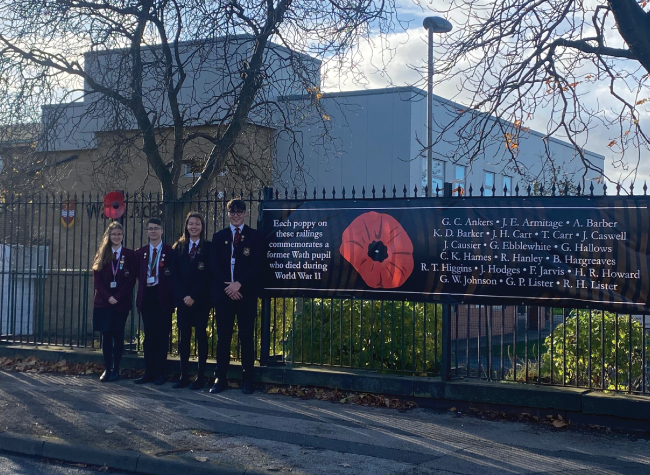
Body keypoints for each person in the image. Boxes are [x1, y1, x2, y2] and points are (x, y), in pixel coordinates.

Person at [209, 199, 263, 394]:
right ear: (228, 213)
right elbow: (214, 265)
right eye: (232, 211)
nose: (236, 214)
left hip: (245, 294)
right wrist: (229, 286)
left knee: (246, 336)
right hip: (224, 295)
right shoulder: (219, 237)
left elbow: (257, 265)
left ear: (245, 213)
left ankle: (248, 378)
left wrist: (239, 284)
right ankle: (220, 377)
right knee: (223, 337)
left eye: (239, 211)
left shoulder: (254, 236)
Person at [170, 212, 211, 390]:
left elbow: (208, 275)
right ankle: (183, 376)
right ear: (186, 226)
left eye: (197, 224)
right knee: (184, 337)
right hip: (183, 300)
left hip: (201, 300)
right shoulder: (178, 247)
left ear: (202, 227)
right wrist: (184, 296)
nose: (194, 227)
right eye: (191, 224)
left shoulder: (208, 247)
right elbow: (173, 275)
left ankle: (200, 377)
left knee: (201, 336)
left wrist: (193, 295)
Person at [92, 222, 136, 382]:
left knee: (118, 335)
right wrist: (108, 297)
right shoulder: (101, 255)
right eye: (113, 234)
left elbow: (131, 280)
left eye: (119, 234)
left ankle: (116, 369)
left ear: (122, 236)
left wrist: (117, 296)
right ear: (109, 236)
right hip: (104, 302)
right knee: (106, 335)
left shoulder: (129, 255)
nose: (116, 237)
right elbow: (97, 281)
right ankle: (107, 369)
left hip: (121, 303)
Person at [134, 217, 174, 385]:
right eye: (150, 229)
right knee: (149, 336)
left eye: (156, 228)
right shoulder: (140, 253)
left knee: (162, 336)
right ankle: (148, 372)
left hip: (163, 297)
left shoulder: (170, 251)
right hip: (147, 297)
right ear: (147, 232)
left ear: (162, 231)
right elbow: (137, 274)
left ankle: (160, 373)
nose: (153, 231)